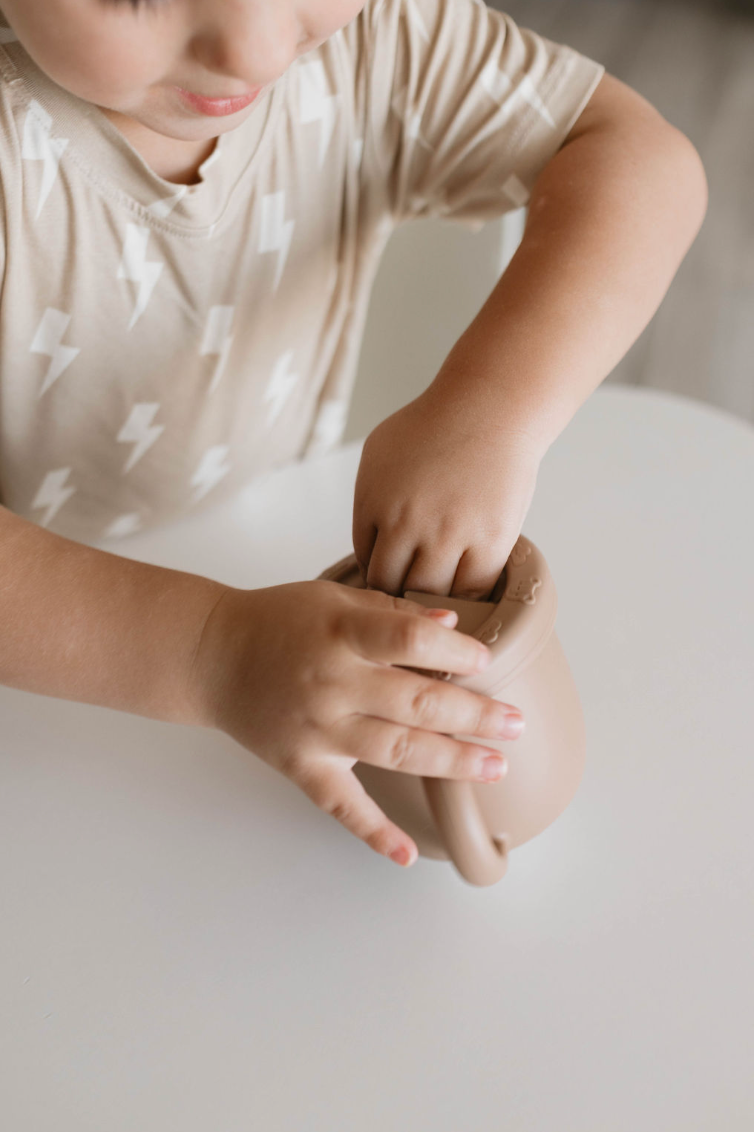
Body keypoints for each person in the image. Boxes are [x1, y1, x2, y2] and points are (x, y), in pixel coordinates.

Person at [0, 0, 707, 870]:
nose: (253, 48)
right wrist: (211, 650)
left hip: (272, 522)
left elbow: (641, 157)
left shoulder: (383, 36)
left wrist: (489, 409)